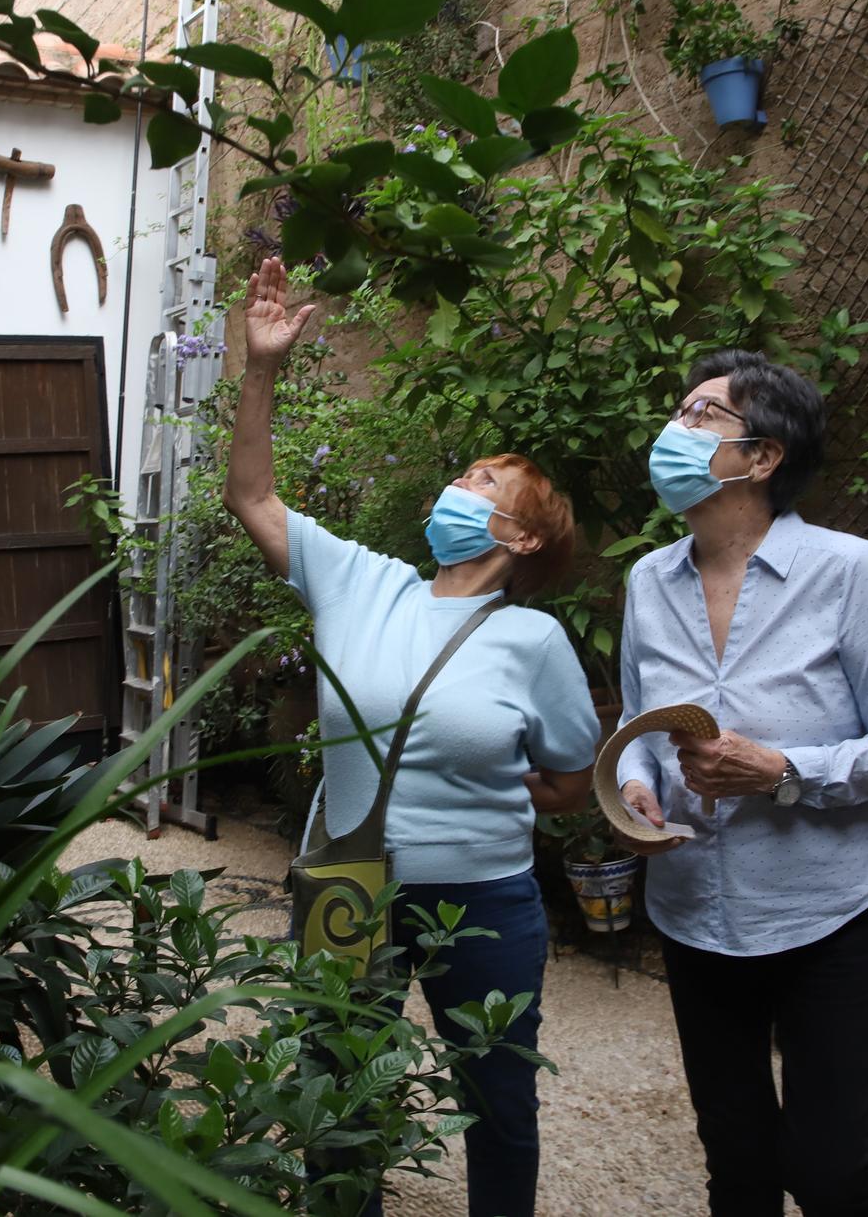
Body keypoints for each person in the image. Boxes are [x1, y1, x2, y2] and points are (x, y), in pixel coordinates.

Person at [223, 257, 600, 1217]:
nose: (457, 486)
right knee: (338, 1092)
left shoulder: (535, 638)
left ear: (522, 539)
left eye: (484, 483)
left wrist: (476, 800)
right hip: (346, 881)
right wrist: (260, 367)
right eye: (464, 472)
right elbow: (254, 499)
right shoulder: (362, 581)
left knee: (496, 1103)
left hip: (486, 900)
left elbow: (569, 778)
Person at [613, 347, 868, 1217]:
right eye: (676, 410)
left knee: (829, 1166)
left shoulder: (849, 569)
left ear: (763, 457)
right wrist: (636, 786)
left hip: (828, 913)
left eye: (700, 415)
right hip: (693, 908)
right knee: (737, 1158)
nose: (672, 431)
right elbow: (639, 722)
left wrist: (787, 769)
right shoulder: (647, 581)